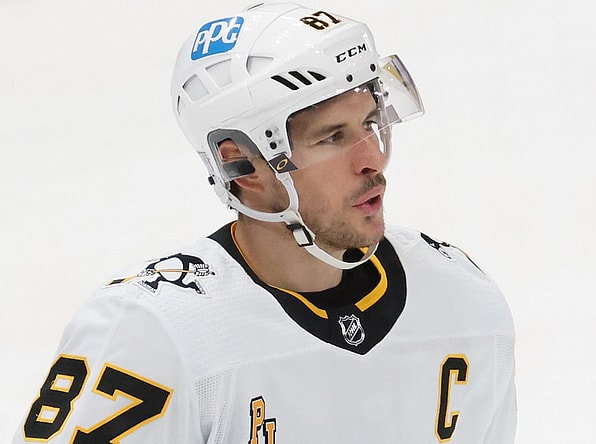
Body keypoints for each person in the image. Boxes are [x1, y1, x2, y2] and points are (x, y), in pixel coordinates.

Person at [13, 2, 516, 443]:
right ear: (244, 166)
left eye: (369, 122)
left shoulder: (463, 303)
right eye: (332, 137)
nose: (373, 159)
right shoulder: (152, 334)